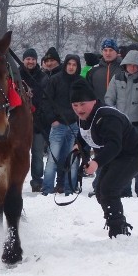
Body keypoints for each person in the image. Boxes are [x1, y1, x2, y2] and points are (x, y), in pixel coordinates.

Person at [71, 77, 138, 238]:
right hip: (114, 156)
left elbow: (114, 145)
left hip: (133, 154)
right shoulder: (84, 117)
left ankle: (118, 230)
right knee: (100, 190)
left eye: (82, 104)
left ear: (93, 101)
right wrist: (79, 147)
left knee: (108, 189)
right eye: (75, 105)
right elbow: (84, 134)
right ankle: (116, 222)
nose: (79, 109)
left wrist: (96, 162)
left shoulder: (107, 117)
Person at [104, 49, 138, 197]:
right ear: (125, 65)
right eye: (130, 65)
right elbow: (109, 98)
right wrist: (114, 116)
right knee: (122, 158)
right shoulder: (117, 78)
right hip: (121, 124)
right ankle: (124, 189)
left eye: (135, 65)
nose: (132, 68)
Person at [42, 54, 81, 195]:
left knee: (72, 160)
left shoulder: (81, 82)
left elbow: (87, 102)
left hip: (75, 126)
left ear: (77, 66)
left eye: (74, 64)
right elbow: (46, 101)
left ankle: (69, 188)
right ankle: (47, 189)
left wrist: (81, 120)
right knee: (53, 160)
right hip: (58, 125)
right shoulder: (55, 80)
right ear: (65, 65)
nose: (71, 67)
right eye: (69, 64)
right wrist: (52, 119)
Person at [20, 48, 50, 192]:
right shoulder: (16, 76)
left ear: (36, 60)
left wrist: (40, 116)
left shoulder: (43, 77)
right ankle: (17, 179)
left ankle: (37, 181)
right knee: (20, 153)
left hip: (38, 122)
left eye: (33, 59)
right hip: (19, 124)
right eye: (28, 59)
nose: (30, 61)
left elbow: (45, 100)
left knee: (37, 153)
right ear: (23, 60)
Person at [87, 38, 121, 103]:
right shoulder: (93, 70)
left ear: (116, 52)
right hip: (99, 109)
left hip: (119, 110)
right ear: (102, 52)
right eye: (105, 50)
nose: (108, 53)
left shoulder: (123, 69)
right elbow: (88, 93)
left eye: (111, 50)